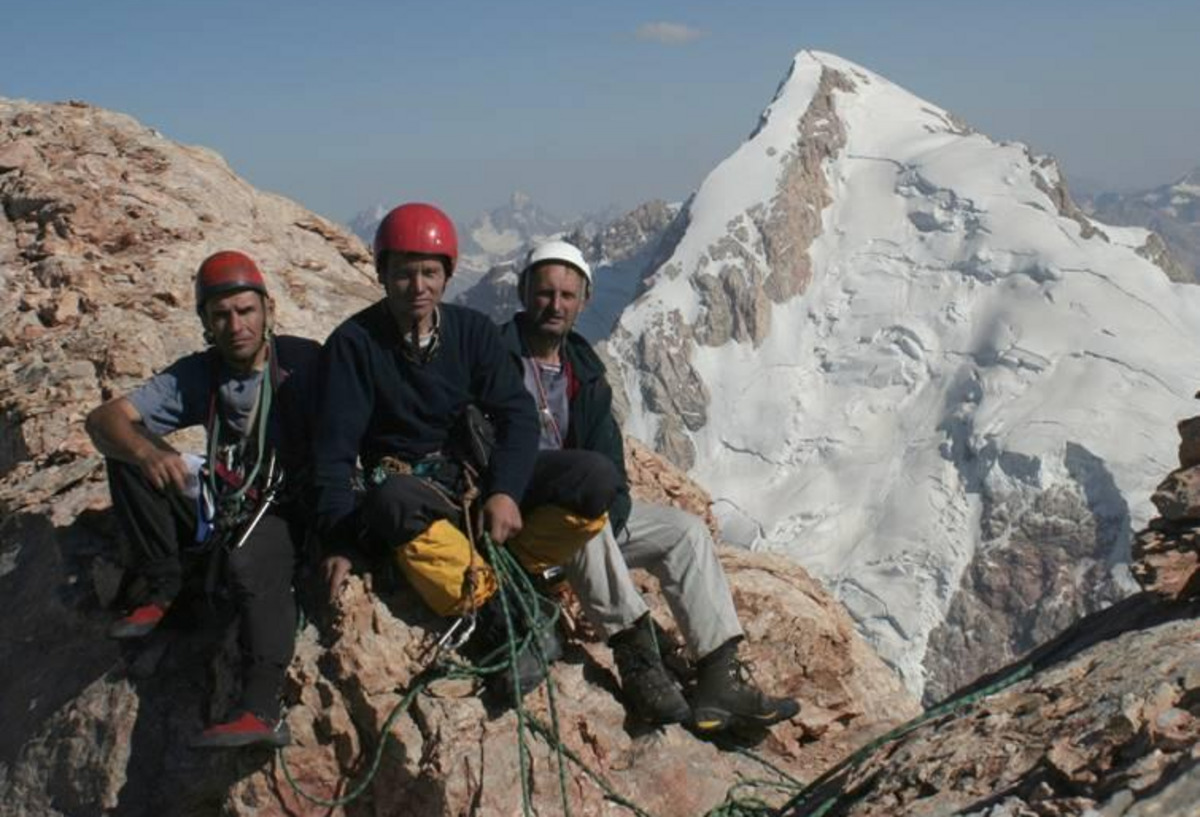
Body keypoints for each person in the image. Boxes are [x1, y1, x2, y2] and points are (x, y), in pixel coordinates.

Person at [312, 203, 618, 699]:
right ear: (382, 273)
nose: (418, 286)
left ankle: (515, 563)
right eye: (404, 273)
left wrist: (505, 492)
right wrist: (340, 539)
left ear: (447, 275)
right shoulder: (354, 345)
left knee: (594, 478)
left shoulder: (470, 333)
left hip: (473, 481)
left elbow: (516, 417)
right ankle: (506, 618)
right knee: (391, 500)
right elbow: (334, 451)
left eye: (430, 273)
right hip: (414, 493)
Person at [499, 240, 800, 732]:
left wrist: (612, 516)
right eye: (544, 293)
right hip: (523, 516)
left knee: (683, 531)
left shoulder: (585, 370)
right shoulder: (495, 356)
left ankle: (719, 673)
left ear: (583, 301)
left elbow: (608, 463)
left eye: (567, 296)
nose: (555, 306)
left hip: (584, 511)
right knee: (585, 522)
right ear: (524, 294)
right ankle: (636, 658)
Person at [86, 250, 321, 748]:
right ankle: (163, 584)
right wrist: (148, 453)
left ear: (267, 310)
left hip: (284, 505)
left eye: (245, 311)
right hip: (226, 499)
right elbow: (105, 420)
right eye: (221, 315)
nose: (235, 324)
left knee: (254, 561)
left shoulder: (304, 364)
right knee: (129, 450)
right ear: (206, 323)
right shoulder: (202, 373)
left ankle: (260, 705)